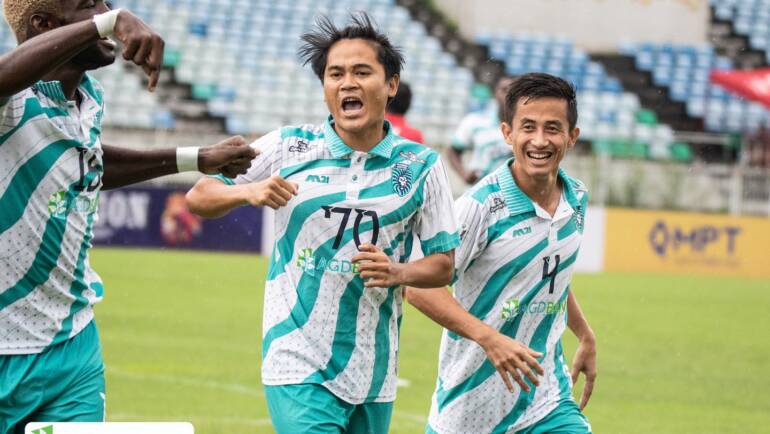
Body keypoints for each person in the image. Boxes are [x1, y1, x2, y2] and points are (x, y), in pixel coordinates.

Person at [185, 13, 459, 434]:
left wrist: (398, 272)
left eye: (361, 72)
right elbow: (199, 195)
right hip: (296, 359)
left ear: (391, 84)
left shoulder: (421, 165)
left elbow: (444, 264)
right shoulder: (288, 146)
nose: (347, 82)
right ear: (325, 87)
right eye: (336, 74)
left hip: (374, 372)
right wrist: (247, 192)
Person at [0, 1, 255, 431]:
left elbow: (89, 163)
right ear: (44, 24)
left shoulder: (88, 99)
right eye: (89, 6)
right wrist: (110, 22)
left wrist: (196, 158)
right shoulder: (10, 103)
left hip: (71, 345)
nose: (106, 11)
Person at [406, 73, 597, 434]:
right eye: (529, 127)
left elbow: (549, 273)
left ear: (572, 136)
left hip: (546, 401)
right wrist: (488, 338)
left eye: (553, 128)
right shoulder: (479, 207)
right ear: (507, 133)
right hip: (469, 409)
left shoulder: (577, 199)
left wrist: (584, 334)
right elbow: (417, 286)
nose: (540, 141)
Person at [447, 76, 515, 185]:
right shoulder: (475, 121)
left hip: (512, 193)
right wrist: (464, 174)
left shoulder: (527, 127)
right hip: (479, 193)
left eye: (512, 91)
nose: (507, 95)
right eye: (504, 90)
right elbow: (453, 151)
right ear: (495, 93)